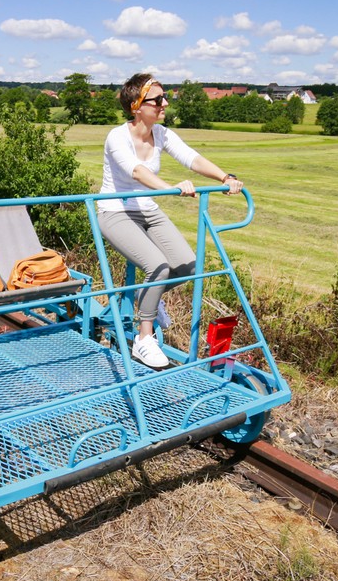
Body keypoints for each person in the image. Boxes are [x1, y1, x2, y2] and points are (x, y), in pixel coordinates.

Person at [97, 73, 244, 368]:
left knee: (188, 265)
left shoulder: (162, 134)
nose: (165, 103)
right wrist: (171, 188)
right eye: (158, 99)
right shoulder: (117, 136)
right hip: (115, 211)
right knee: (158, 266)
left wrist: (225, 177)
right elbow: (136, 171)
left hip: (147, 210)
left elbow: (192, 158)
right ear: (136, 106)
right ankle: (143, 339)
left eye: (166, 98)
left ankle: (145, 296)